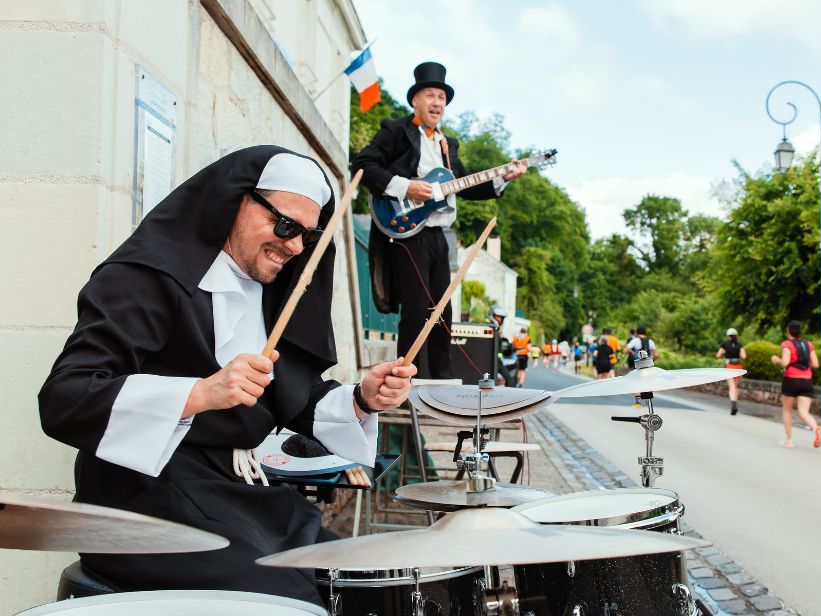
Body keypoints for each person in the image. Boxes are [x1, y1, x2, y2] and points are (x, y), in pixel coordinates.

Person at [38, 147, 417, 604]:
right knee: (281, 597)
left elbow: (291, 395)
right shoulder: (148, 277)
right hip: (143, 499)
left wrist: (362, 399)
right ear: (238, 200)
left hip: (238, 491)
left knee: (364, 577)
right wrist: (199, 393)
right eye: (285, 226)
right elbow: (66, 396)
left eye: (307, 236)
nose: (295, 246)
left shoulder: (271, 290)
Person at [352, 62, 526, 378]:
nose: (437, 103)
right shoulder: (395, 131)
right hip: (405, 230)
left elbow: (463, 185)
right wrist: (407, 187)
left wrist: (503, 179)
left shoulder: (449, 144)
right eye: (431, 95)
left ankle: (441, 382)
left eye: (442, 98)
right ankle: (410, 379)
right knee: (417, 309)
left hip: (437, 234)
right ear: (415, 100)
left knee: (442, 310)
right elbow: (363, 164)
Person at [770, 320, 821, 448]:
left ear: (788, 331)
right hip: (806, 381)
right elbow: (815, 364)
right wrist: (803, 364)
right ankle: (815, 427)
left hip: (791, 380)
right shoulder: (808, 345)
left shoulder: (787, 344)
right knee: (804, 412)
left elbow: (785, 362)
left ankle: (789, 440)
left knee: (787, 411)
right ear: (800, 332)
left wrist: (776, 360)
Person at [717, 327, 747, 415]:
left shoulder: (725, 344)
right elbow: (744, 356)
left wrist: (724, 352)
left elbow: (718, 355)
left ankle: (733, 402)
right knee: (735, 386)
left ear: (728, 336)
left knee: (731, 386)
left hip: (729, 366)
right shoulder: (739, 345)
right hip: (738, 366)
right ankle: (735, 403)